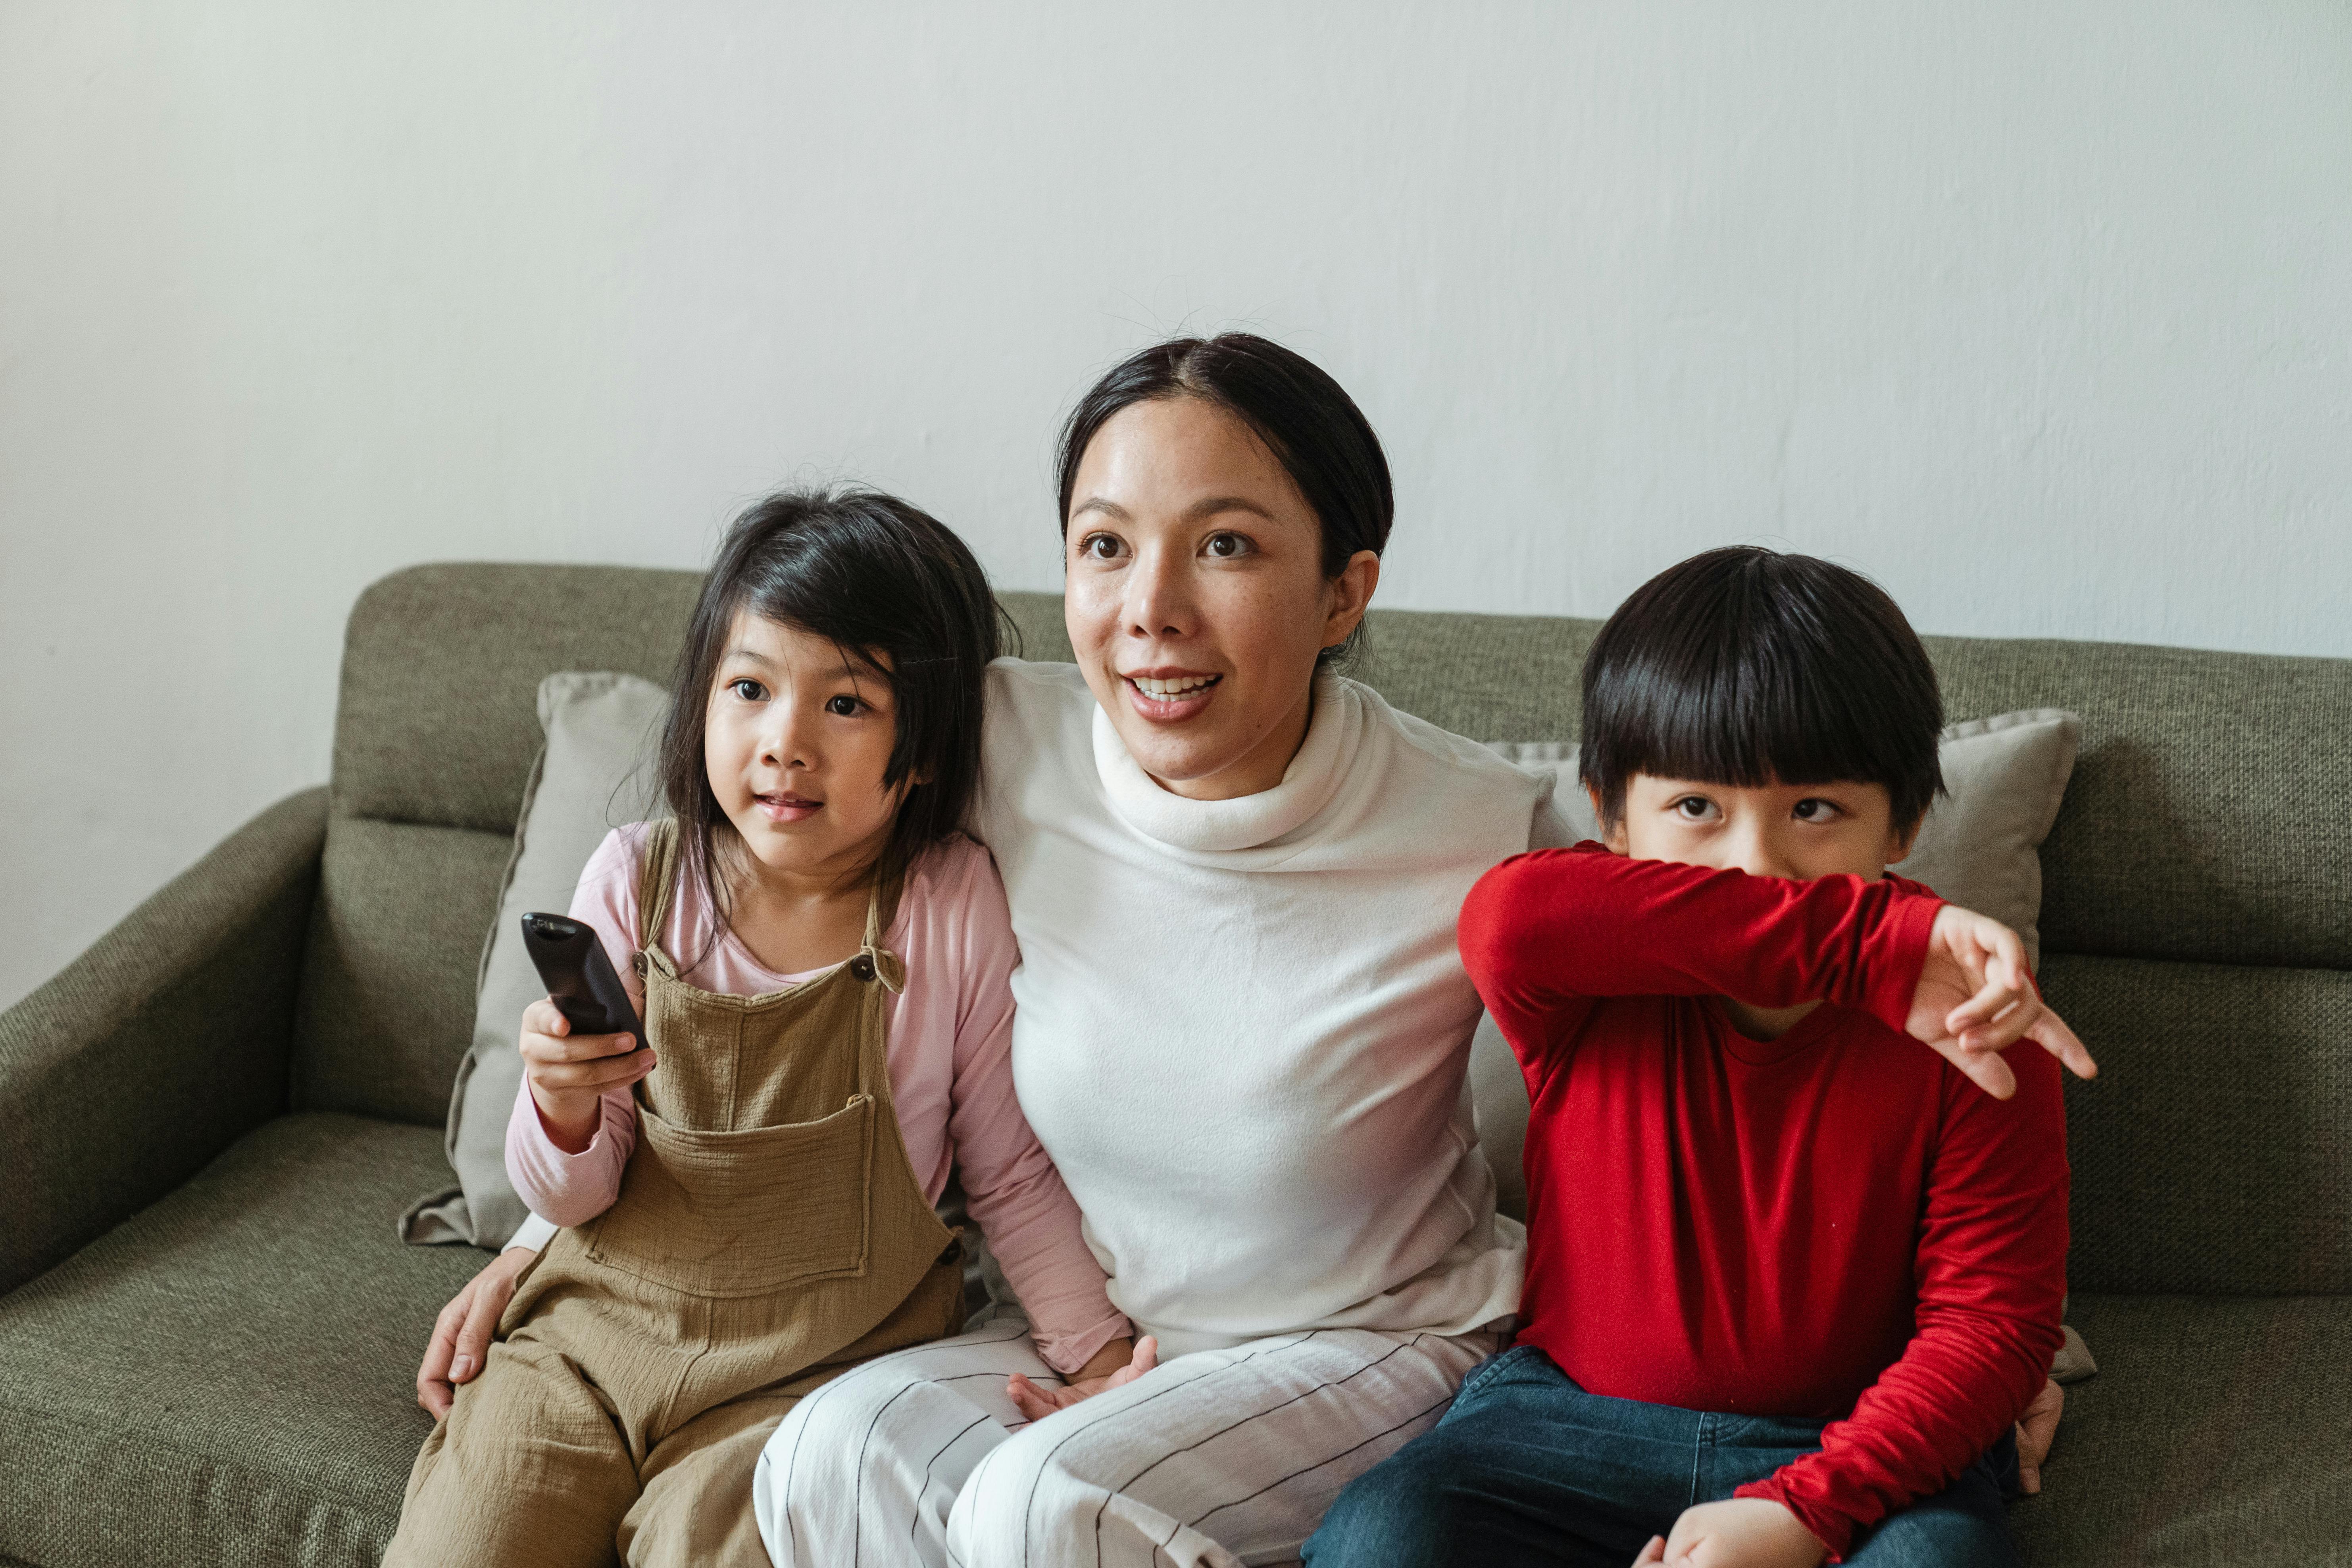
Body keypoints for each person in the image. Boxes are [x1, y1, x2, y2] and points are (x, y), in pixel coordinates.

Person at [421, 333, 1565, 1565]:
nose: (1151, 612)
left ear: (1345, 590)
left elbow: (1722, 980)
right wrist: (547, 1241)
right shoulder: (1004, 738)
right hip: (1106, 1330)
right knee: (827, 1456)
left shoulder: (1490, 825)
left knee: (1036, 1507)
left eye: (1225, 545)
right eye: (1106, 546)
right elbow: (777, 828)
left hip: (1362, 1338)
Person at [1304, 548, 2100, 1568]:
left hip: (1850, 1440)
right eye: (1696, 810)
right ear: (1610, 813)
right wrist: (1863, 944)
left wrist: (1806, 1510)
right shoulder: (1589, 971)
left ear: (1902, 821)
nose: (1757, 864)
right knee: (1384, 1538)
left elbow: (1992, 1327)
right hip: (1568, 1418)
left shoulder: (1979, 1016)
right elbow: (1509, 917)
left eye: (1815, 810)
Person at [386, 489, 1134, 1568]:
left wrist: (1095, 1351)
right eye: (750, 688)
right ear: (703, 708)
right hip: (587, 1348)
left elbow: (1007, 1173)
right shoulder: (638, 882)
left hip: (809, 1378)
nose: (786, 743)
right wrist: (556, 1104)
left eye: (846, 706)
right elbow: (574, 1193)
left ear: (922, 751)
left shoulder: (947, 901)